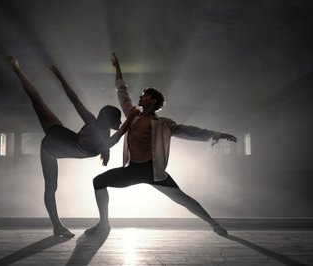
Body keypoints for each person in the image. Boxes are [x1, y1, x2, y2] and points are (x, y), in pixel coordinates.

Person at [86, 53, 237, 236]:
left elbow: (190, 131)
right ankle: (104, 224)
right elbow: (122, 92)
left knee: (184, 200)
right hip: (132, 170)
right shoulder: (132, 116)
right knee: (99, 181)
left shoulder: (164, 124)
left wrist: (217, 134)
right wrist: (118, 68)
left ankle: (214, 224)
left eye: (144, 95)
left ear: (153, 100)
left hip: (153, 172)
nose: (140, 97)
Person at [7, 56, 140, 237]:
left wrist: (61, 78)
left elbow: (75, 100)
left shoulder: (92, 121)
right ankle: (57, 226)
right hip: (51, 147)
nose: (121, 121)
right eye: (118, 119)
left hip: (59, 132)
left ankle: (17, 70)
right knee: (51, 187)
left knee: (37, 100)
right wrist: (132, 116)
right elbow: (120, 133)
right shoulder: (102, 136)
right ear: (110, 121)